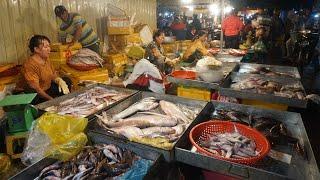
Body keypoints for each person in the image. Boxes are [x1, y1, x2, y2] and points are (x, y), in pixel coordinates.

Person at [14, 35, 72, 104]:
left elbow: (53, 74)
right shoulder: (29, 64)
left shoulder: (46, 59)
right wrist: (51, 100)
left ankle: (63, 103)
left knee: (66, 81)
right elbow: (36, 88)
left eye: (49, 46)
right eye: (46, 47)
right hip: (31, 93)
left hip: (45, 89)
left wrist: (58, 80)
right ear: (36, 49)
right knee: (32, 93)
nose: (49, 49)